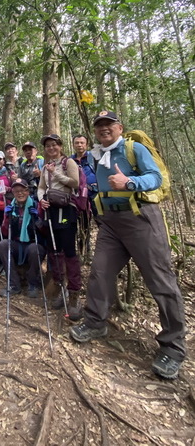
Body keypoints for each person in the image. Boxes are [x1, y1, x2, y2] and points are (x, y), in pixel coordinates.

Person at [69, 111, 186, 380]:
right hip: (110, 223)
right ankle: (95, 322)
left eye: (109, 125)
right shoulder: (96, 154)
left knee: (160, 280)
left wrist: (130, 181)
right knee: (100, 272)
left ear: (119, 127)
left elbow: (155, 177)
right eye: (99, 126)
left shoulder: (135, 148)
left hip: (140, 218)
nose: (104, 129)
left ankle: (173, 347)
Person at [37, 134, 82, 320]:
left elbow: (75, 183)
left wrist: (55, 173)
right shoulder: (45, 167)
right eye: (48, 146)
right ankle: (59, 287)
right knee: (54, 251)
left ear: (60, 146)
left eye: (54, 145)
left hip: (67, 210)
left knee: (69, 251)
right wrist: (41, 200)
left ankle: (74, 296)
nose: (51, 148)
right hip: (51, 211)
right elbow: (41, 187)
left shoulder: (68, 162)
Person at [0, 179, 45, 298]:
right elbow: (5, 232)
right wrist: (7, 218)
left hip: (32, 244)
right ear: (13, 193)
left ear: (27, 191)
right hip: (16, 243)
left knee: (35, 249)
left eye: (22, 190)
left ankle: (32, 283)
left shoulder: (36, 205)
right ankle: (14, 284)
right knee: (3, 244)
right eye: (16, 191)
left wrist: (37, 219)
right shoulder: (11, 207)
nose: (20, 193)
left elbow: (45, 231)